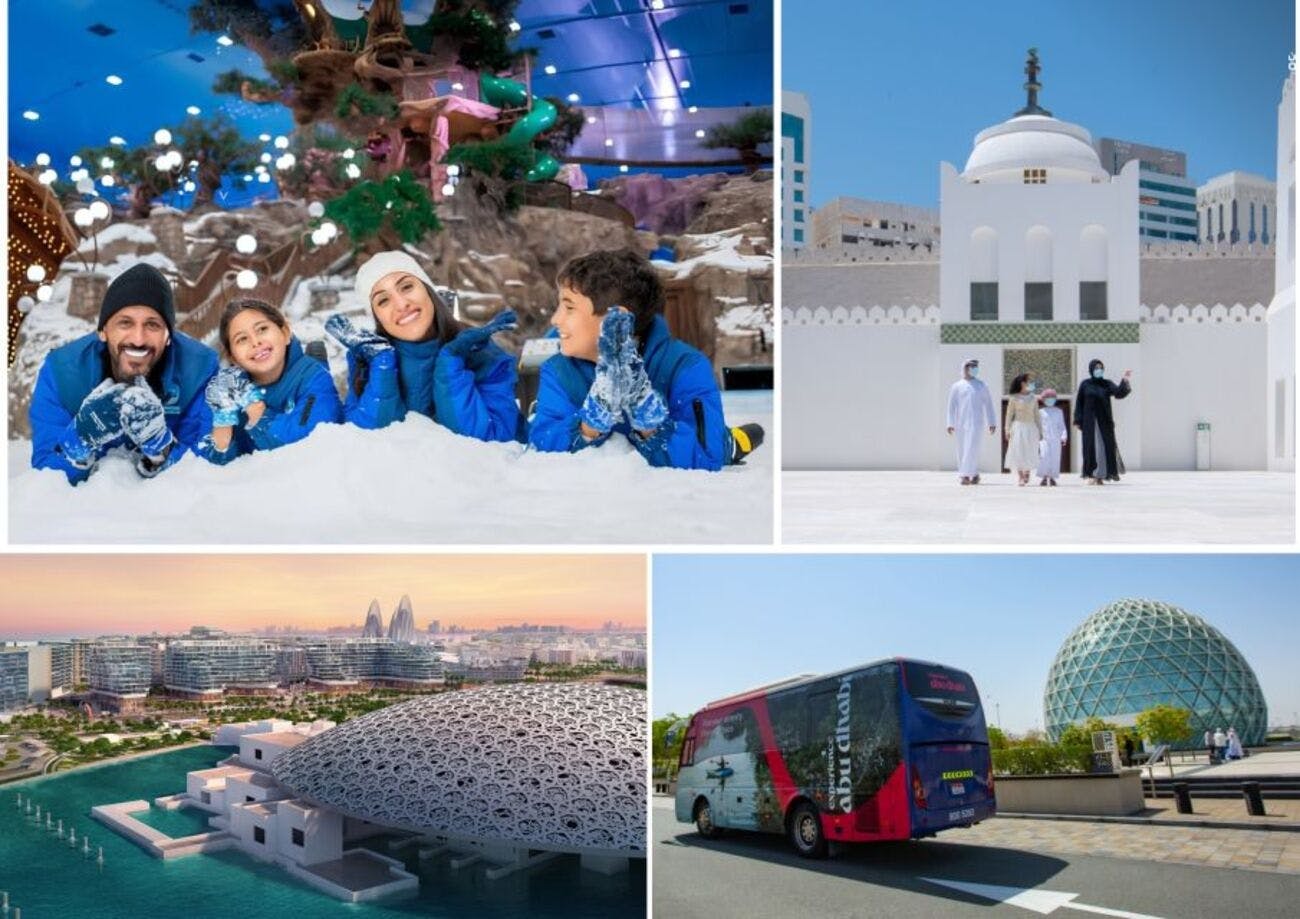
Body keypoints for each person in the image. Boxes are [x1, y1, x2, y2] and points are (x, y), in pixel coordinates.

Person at [528, 248, 763, 470]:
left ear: (616, 318)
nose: (555, 320)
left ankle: (736, 440)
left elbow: (707, 455)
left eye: (569, 308)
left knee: (724, 444)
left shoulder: (685, 366)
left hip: (710, 440)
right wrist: (590, 423)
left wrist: (650, 421)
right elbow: (542, 442)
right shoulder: (559, 370)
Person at [29, 263, 217, 484]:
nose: (138, 339)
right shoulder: (62, 371)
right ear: (103, 331)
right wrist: (78, 442)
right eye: (125, 323)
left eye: (152, 325)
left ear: (168, 337)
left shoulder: (199, 370)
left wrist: (163, 449)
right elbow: (44, 474)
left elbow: (209, 464)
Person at [325, 251, 520, 441]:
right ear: (377, 319)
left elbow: (492, 444)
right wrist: (382, 367)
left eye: (407, 287)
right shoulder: (365, 366)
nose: (401, 304)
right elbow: (365, 448)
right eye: (383, 300)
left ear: (429, 291)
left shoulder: (482, 354)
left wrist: (451, 365)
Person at [196, 299, 342, 465]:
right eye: (242, 339)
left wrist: (259, 416)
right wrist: (223, 422)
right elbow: (208, 465)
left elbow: (312, 438)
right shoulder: (227, 391)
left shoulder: (314, 376)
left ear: (285, 332)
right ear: (233, 358)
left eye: (262, 329)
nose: (255, 342)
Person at [1074, 358, 1132, 484]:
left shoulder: (1107, 384)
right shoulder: (1085, 384)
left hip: (1104, 421)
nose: (1099, 370)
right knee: (1090, 447)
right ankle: (1091, 474)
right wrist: (1078, 420)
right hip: (1089, 422)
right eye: (1096, 368)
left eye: (1101, 368)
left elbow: (1119, 393)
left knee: (1104, 447)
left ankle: (1101, 475)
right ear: (1091, 369)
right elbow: (1079, 402)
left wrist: (1125, 380)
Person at [946, 358, 997, 485]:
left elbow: (989, 404)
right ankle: (967, 475)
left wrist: (992, 422)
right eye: (972, 367)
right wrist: (950, 423)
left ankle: (970, 474)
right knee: (962, 448)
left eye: (976, 367)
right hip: (961, 423)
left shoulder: (982, 385)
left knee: (973, 448)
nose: (975, 369)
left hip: (977, 422)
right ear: (966, 368)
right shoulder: (957, 386)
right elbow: (951, 407)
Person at [1004, 374, 1042, 486]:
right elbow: (1009, 415)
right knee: (1018, 451)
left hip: (1031, 427)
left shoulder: (1034, 398)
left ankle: (1027, 472)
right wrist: (1007, 429)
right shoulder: (1014, 398)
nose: (1030, 384)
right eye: (1028, 382)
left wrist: (1040, 430)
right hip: (1018, 427)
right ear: (1022, 383)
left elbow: (1037, 415)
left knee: (1030, 450)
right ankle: (1020, 476)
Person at [1036, 387, 1068, 486]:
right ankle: (1044, 477)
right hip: (1044, 439)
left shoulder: (1058, 411)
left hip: (1056, 439)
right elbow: (1038, 426)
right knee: (1044, 458)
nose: (1050, 399)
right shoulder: (1040, 412)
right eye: (1048, 398)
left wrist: (1063, 436)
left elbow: (1062, 425)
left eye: (1052, 397)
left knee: (1055, 458)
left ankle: (1053, 477)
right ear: (1043, 399)